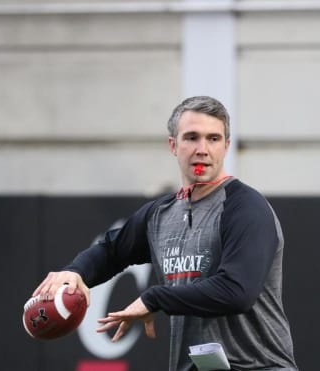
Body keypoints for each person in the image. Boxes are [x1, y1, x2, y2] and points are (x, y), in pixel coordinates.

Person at [32, 96, 298, 371]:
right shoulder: (161, 214)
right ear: (173, 145)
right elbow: (111, 250)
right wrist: (76, 273)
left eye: (214, 139)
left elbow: (236, 291)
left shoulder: (245, 208)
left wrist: (154, 298)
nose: (202, 149)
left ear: (227, 146)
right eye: (192, 137)